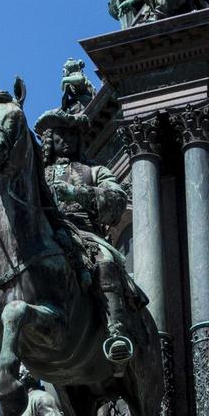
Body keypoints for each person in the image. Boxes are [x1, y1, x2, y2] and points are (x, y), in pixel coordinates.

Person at [34, 108, 138, 362]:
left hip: (84, 234)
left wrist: (77, 193)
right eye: (61, 135)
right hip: (43, 236)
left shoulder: (95, 171)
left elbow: (117, 201)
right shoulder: (36, 175)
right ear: (49, 140)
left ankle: (116, 332)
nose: (68, 141)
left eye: (73, 135)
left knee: (105, 261)